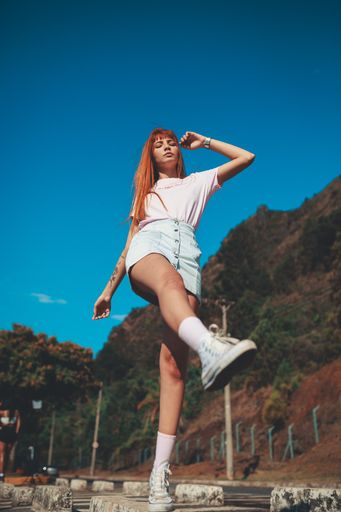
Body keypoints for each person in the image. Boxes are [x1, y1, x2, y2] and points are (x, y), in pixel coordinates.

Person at [92, 128, 258, 512]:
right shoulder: (146, 195)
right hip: (151, 248)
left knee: (173, 366)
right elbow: (129, 242)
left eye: (170, 143)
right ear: (150, 157)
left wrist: (207, 142)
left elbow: (246, 157)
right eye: (157, 145)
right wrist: (108, 290)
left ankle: (159, 475)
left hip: (189, 257)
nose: (166, 147)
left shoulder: (198, 183)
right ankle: (211, 347)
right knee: (166, 281)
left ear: (179, 152)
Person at [0, 399, 21, 482]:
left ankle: (1, 474)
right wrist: (16, 433)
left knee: (2, 454)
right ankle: (4, 473)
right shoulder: (16, 412)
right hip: (12, 433)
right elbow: (19, 424)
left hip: (3, 432)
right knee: (8, 455)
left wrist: (3, 424)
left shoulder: (2, 412)